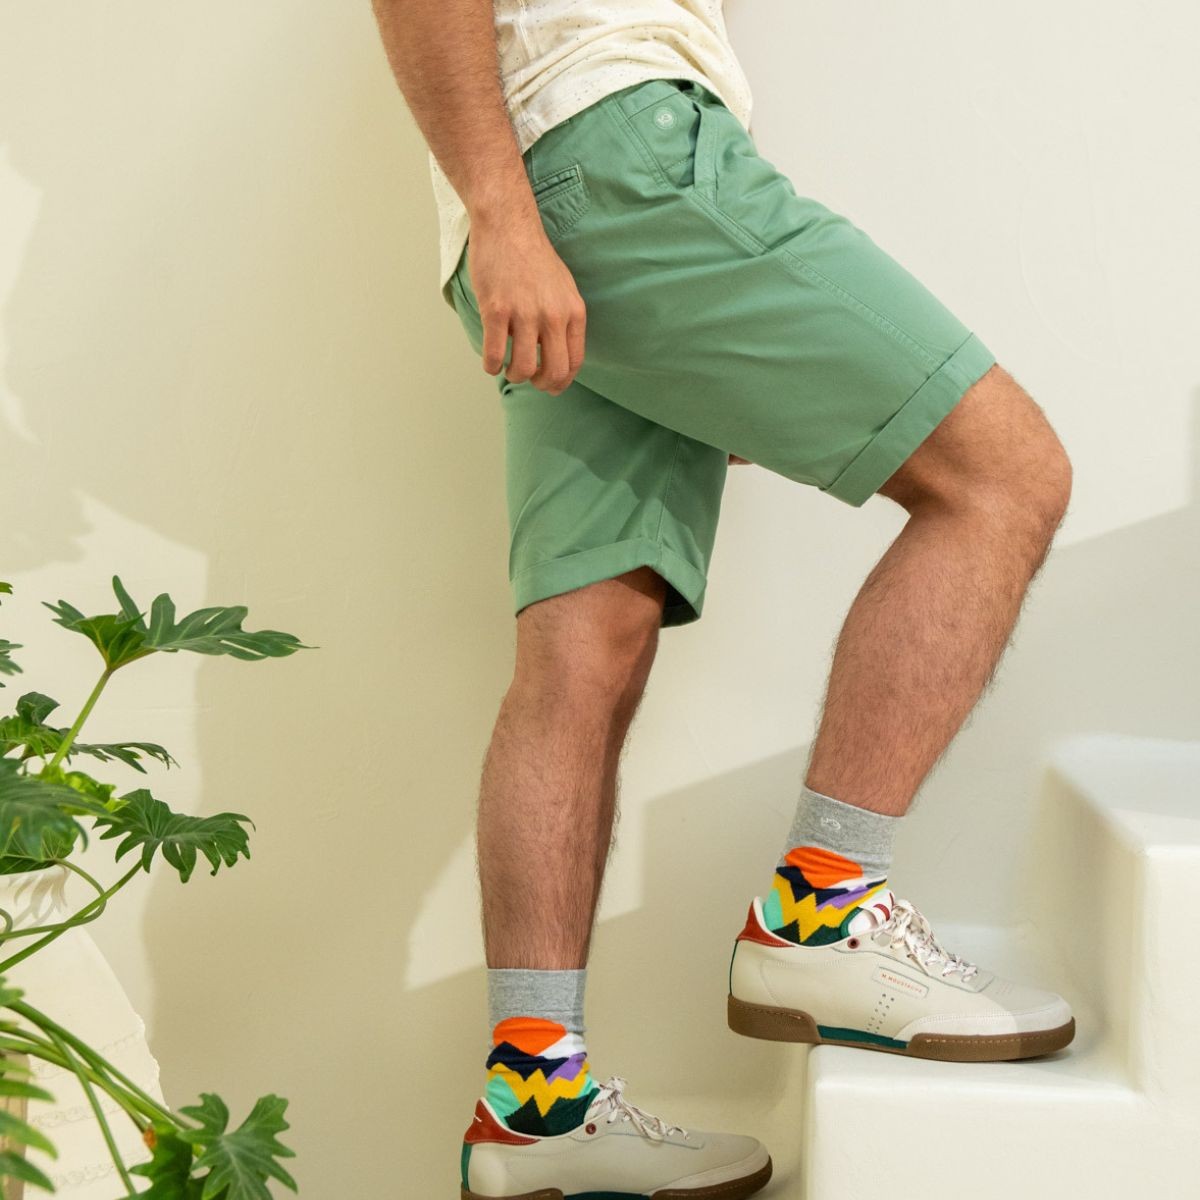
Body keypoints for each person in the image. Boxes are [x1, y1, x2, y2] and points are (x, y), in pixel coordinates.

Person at [371, 2, 1075, 1197]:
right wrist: (503, 211)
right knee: (1005, 477)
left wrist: (515, 221)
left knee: (588, 643)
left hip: (569, 189)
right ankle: (822, 916)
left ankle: (536, 1103)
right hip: (616, 156)